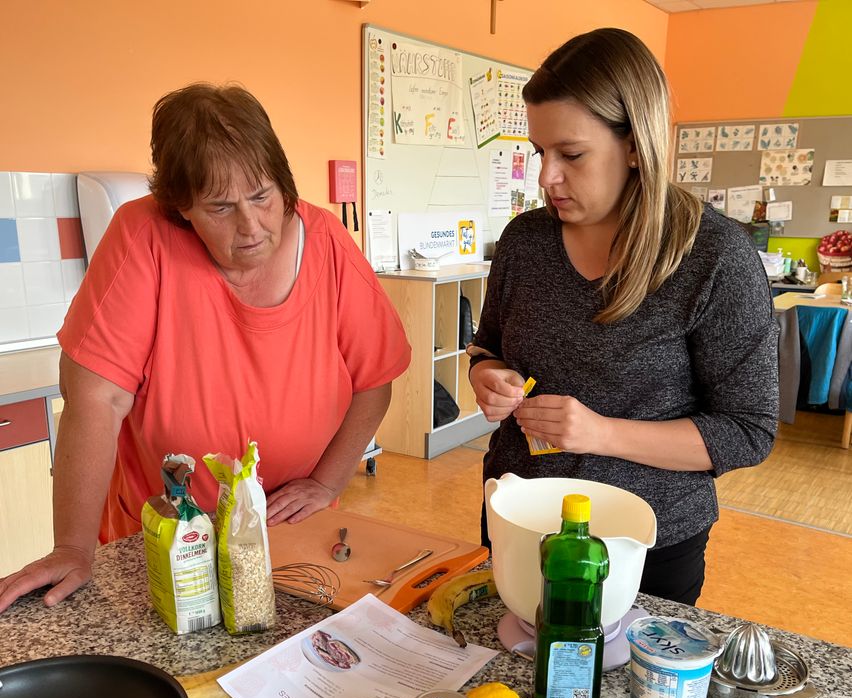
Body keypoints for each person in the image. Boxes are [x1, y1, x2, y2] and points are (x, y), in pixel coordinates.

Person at [0, 84, 410, 613]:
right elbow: (95, 400)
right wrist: (73, 547)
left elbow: (375, 377)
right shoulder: (143, 236)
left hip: (289, 529)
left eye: (263, 197)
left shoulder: (326, 240)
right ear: (181, 210)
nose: (251, 226)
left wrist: (325, 481)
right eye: (220, 207)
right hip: (168, 537)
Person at [468, 29, 778, 606]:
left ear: (636, 144)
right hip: (518, 516)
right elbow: (488, 346)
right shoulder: (525, 242)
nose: (545, 178)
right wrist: (488, 376)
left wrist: (600, 433)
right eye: (539, 152)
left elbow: (748, 432)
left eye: (571, 154)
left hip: (645, 543)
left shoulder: (714, 259)